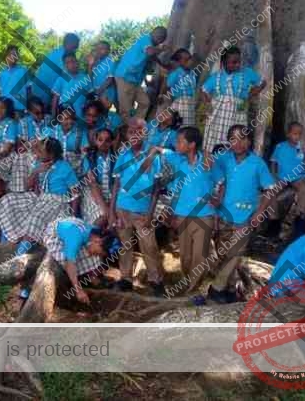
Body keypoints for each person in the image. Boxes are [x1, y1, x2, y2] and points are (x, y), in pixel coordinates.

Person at [208, 125, 275, 303]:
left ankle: (216, 288)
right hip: (223, 216)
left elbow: (270, 189)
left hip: (244, 218)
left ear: (249, 141)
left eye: (242, 138)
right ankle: (230, 289)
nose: (238, 143)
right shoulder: (223, 160)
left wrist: (259, 212)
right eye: (233, 139)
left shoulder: (257, 164)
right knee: (224, 255)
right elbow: (216, 185)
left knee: (235, 254)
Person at [158, 127, 222, 293]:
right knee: (185, 256)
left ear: (192, 145)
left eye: (180, 141)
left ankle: (194, 288)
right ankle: (188, 279)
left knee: (199, 256)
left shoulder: (208, 163)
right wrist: (170, 212)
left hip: (204, 215)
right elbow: (162, 151)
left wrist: (218, 200)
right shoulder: (178, 161)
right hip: (182, 215)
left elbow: (222, 181)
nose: (176, 144)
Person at [109, 118, 165, 297]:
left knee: (149, 245)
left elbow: (156, 188)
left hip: (142, 211)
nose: (135, 135)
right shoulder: (122, 155)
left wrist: (150, 213)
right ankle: (125, 278)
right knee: (125, 245)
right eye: (131, 132)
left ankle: (155, 280)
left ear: (145, 133)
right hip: (122, 209)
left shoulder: (153, 155)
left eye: (139, 131)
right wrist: (112, 212)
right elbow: (116, 185)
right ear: (126, 134)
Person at [0, 137, 80, 244]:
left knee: (36, 218)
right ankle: (10, 238)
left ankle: (22, 250)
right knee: (8, 200)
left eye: (40, 151)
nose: (37, 153)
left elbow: (76, 193)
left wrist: (72, 216)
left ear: (51, 154)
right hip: (40, 197)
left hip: (57, 202)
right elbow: (26, 186)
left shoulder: (64, 167)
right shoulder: (39, 163)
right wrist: (36, 172)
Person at [202, 46, 266, 152]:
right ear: (224, 63)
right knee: (214, 144)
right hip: (217, 117)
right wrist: (207, 105)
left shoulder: (247, 73)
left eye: (239, 61)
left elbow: (262, 82)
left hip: (238, 114)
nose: (238, 64)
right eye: (233, 62)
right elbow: (203, 90)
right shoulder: (216, 76)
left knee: (236, 139)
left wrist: (251, 95)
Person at [39, 218, 111, 304]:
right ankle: (72, 286)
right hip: (52, 233)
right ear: (98, 241)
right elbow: (70, 264)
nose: (96, 254)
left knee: (87, 254)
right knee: (66, 260)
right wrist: (78, 291)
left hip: (70, 227)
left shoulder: (94, 233)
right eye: (98, 253)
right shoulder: (75, 238)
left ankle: (87, 280)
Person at [269, 122, 305, 238]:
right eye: (295, 133)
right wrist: (273, 175)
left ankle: (300, 221)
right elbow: (273, 161)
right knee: (271, 193)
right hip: (282, 177)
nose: (297, 136)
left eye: (300, 134)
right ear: (288, 134)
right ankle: (274, 222)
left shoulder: (304, 148)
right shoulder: (280, 147)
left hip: (298, 177)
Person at [114, 26, 168, 121]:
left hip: (135, 79)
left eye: (163, 38)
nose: (160, 40)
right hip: (125, 76)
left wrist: (163, 65)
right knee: (126, 110)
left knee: (145, 102)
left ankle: (136, 124)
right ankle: (127, 130)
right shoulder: (145, 39)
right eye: (160, 36)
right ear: (153, 32)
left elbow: (153, 57)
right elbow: (150, 51)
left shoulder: (150, 44)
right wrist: (161, 49)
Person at [10, 96, 51, 193]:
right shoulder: (23, 122)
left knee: (39, 159)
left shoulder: (48, 120)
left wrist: (35, 145)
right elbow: (21, 146)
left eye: (42, 112)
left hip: (46, 150)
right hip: (29, 151)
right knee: (19, 158)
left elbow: (49, 141)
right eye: (37, 113)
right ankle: (20, 190)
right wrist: (33, 145)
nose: (41, 116)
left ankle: (37, 191)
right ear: (29, 112)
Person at [33, 33, 80, 106]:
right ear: (70, 43)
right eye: (75, 46)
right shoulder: (63, 56)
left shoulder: (56, 52)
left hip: (39, 90)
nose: (76, 49)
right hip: (43, 94)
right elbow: (69, 77)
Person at [81, 128, 115, 225]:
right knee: (102, 217)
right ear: (96, 141)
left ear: (112, 142)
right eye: (100, 140)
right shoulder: (89, 157)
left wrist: (111, 206)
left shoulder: (116, 158)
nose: (103, 143)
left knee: (118, 215)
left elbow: (116, 184)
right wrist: (105, 208)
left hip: (111, 190)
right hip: (93, 191)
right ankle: (94, 236)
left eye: (107, 140)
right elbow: (93, 184)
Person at [49, 106, 89, 177]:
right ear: (60, 119)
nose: (70, 121)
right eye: (66, 119)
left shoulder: (80, 133)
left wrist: (86, 171)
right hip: (55, 172)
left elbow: (85, 154)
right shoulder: (51, 132)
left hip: (74, 172)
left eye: (72, 119)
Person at [51, 52, 92, 120]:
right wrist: (53, 117)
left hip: (81, 117)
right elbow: (55, 99)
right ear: (65, 65)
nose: (71, 64)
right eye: (67, 62)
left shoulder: (85, 78)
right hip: (65, 118)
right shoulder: (61, 79)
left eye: (73, 61)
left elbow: (89, 98)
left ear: (77, 61)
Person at [0, 45, 31, 118]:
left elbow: (29, 90)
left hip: (19, 108)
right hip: (5, 108)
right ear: (6, 56)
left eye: (15, 54)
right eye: (10, 54)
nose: (13, 57)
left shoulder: (23, 71)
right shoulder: (1, 73)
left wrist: (29, 107)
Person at [166, 48, 198, 126]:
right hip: (179, 103)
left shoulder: (192, 74)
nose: (189, 61)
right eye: (186, 59)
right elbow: (168, 88)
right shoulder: (176, 74)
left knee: (188, 125)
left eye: (190, 58)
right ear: (179, 62)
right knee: (179, 125)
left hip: (190, 103)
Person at [87, 41, 117, 108]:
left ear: (108, 50)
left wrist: (97, 93)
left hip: (106, 93)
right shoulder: (96, 62)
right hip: (96, 93)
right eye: (97, 48)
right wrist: (90, 65)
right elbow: (90, 78)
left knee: (103, 112)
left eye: (102, 48)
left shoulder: (110, 61)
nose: (98, 51)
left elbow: (110, 80)